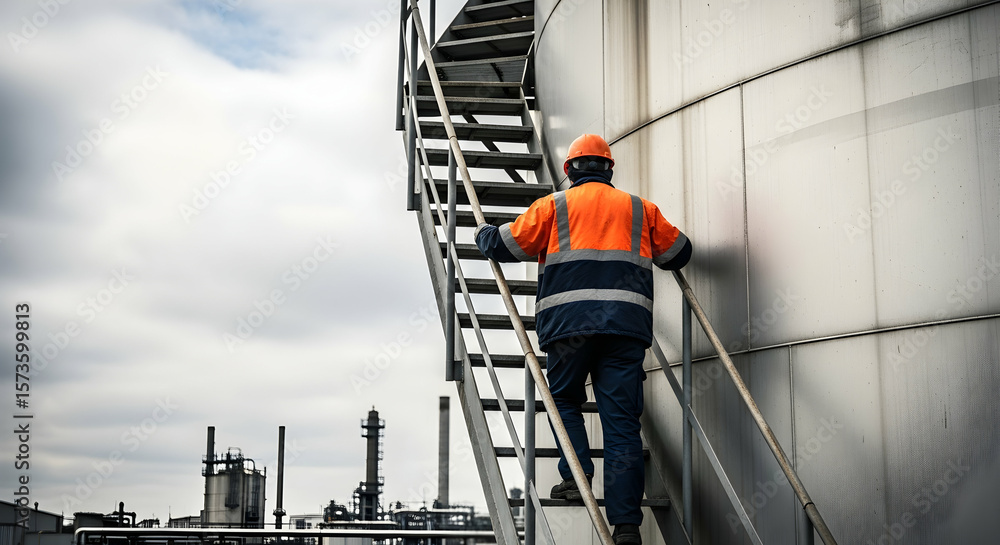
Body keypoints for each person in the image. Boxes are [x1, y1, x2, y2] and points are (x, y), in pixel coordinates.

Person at [474, 133, 692, 545]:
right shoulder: (638, 209)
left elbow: (508, 244)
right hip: (625, 330)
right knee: (622, 423)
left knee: (565, 401)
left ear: (568, 170)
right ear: (610, 169)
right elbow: (679, 253)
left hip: (568, 328)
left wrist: (483, 234)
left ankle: (576, 479)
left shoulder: (553, 206)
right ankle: (627, 525)